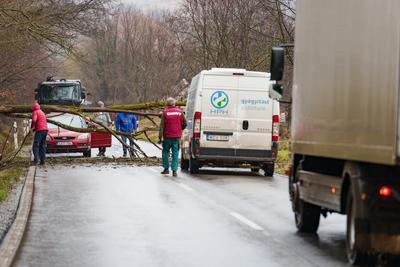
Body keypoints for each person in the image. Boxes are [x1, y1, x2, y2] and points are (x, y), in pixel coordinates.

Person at [159, 97, 187, 177]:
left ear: (167, 104)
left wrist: (160, 137)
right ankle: (174, 171)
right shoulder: (180, 112)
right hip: (176, 136)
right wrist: (180, 129)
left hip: (167, 136)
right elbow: (185, 123)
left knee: (165, 152)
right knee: (175, 153)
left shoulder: (165, 113)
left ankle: (166, 169)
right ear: (174, 104)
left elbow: (162, 126)